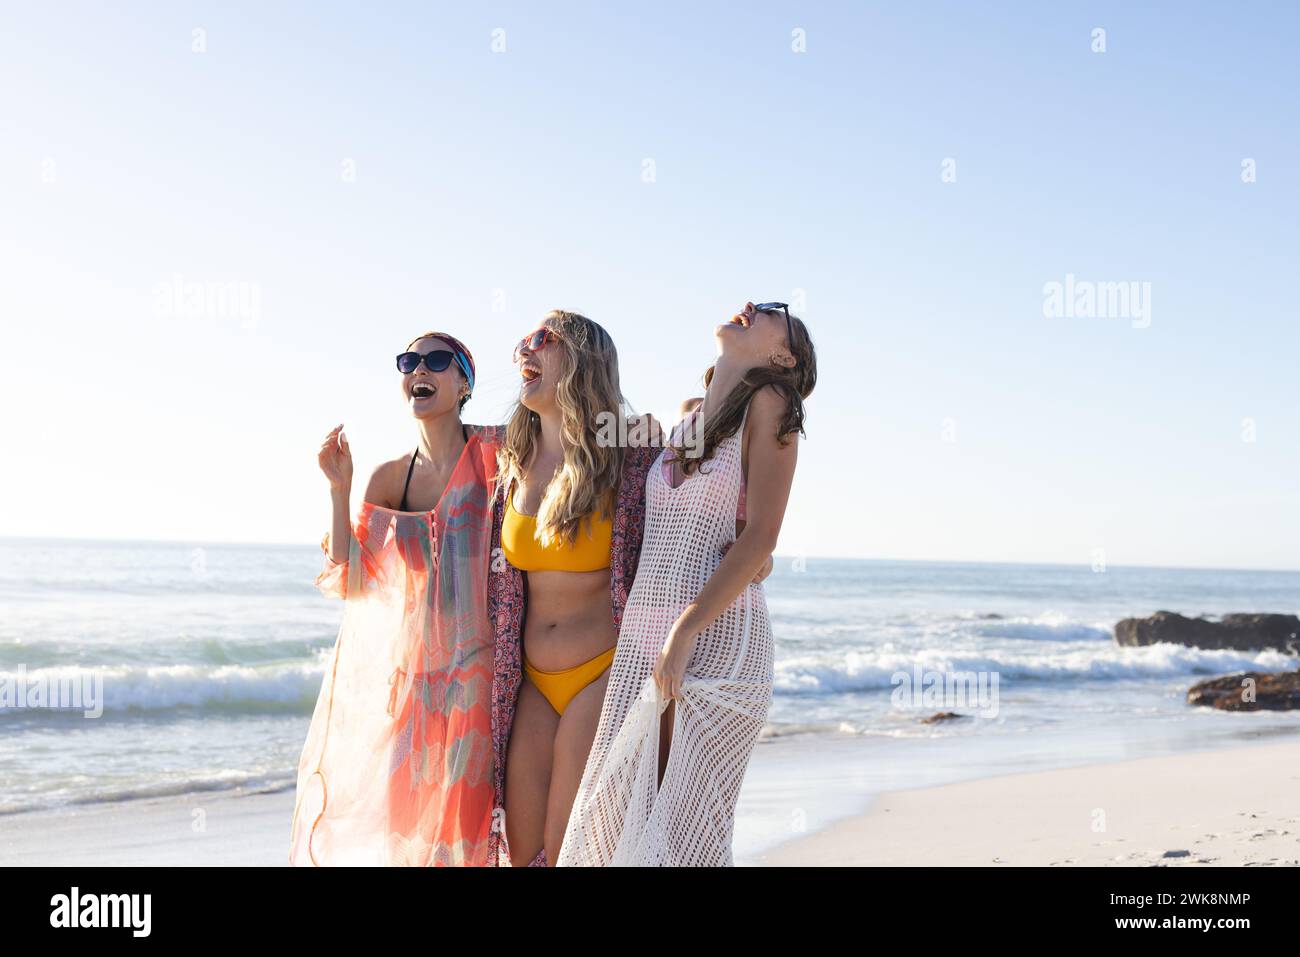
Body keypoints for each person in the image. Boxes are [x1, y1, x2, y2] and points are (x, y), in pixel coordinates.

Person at [557, 301, 816, 866]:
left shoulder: (771, 406)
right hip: (648, 641)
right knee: (620, 823)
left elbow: (760, 540)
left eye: (775, 312)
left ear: (783, 356)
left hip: (714, 643)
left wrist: (685, 631)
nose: (752, 306)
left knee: (679, 840)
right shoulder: (687, 418)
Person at [290, 332, 503, 866]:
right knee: (408, 837)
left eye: (435, 360)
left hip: (483, 675)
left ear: (464, 384)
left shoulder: (499, 456)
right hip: (414, 685)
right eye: (409, 362)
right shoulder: (389, 479)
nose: (418, 370)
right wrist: (340, 490)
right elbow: (352, 581)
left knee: (469, 838)